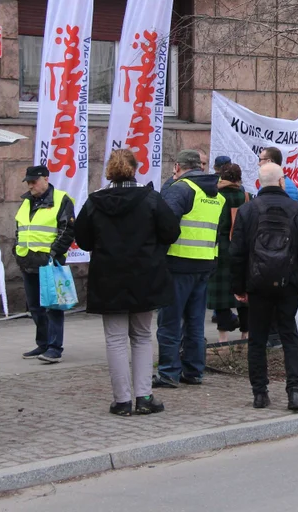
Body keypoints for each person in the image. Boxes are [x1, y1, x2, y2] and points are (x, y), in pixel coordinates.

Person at [74, 150, 180, 416]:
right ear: (135, 169)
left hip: (108, 278)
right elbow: (172, 232)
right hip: (146, 276)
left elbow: (83, 240)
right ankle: (144, 397)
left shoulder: (94, 201)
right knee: (142, 337)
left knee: (115, 340)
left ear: (110, 170)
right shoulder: (151, 199)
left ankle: (122, 401)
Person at [230, 162, 298, 411]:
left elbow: (236, 252)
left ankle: (260, 393)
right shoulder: (297, 210)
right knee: (290, 335)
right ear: (282, 182)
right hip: (289, 284)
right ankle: (294, 392)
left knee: (257, 339)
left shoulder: (248, 211)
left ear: (259, 184)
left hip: (257, 284)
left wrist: (238, 287)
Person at [154, 150, 226, 388]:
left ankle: (168, 373)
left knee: (170, 322)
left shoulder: (182, 189)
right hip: (205, 263)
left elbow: (165, 225)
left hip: (178, 263)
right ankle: (194, 372)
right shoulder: (216, 194)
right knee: (195, 322)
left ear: (177, 166)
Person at [14, 164, 75, 364]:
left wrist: (54, 254)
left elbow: (67, 230)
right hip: (28, 260)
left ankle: (55, 347)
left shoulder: (61, 199)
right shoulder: (27, 202)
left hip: (49, 262)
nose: (30, 186)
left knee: (53, 305)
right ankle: (43, 343)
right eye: (28, 182)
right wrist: (17, 250)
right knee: (35, 306)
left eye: (34, 181)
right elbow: (20, 228)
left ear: (46, 179)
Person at [209, 164, 250, 343]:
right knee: (243, 294)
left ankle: (223, 339)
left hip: (221, 248)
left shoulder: (216, 195)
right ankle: (245, 337)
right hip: (241, 248)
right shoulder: (245, 196)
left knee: (221, 297)